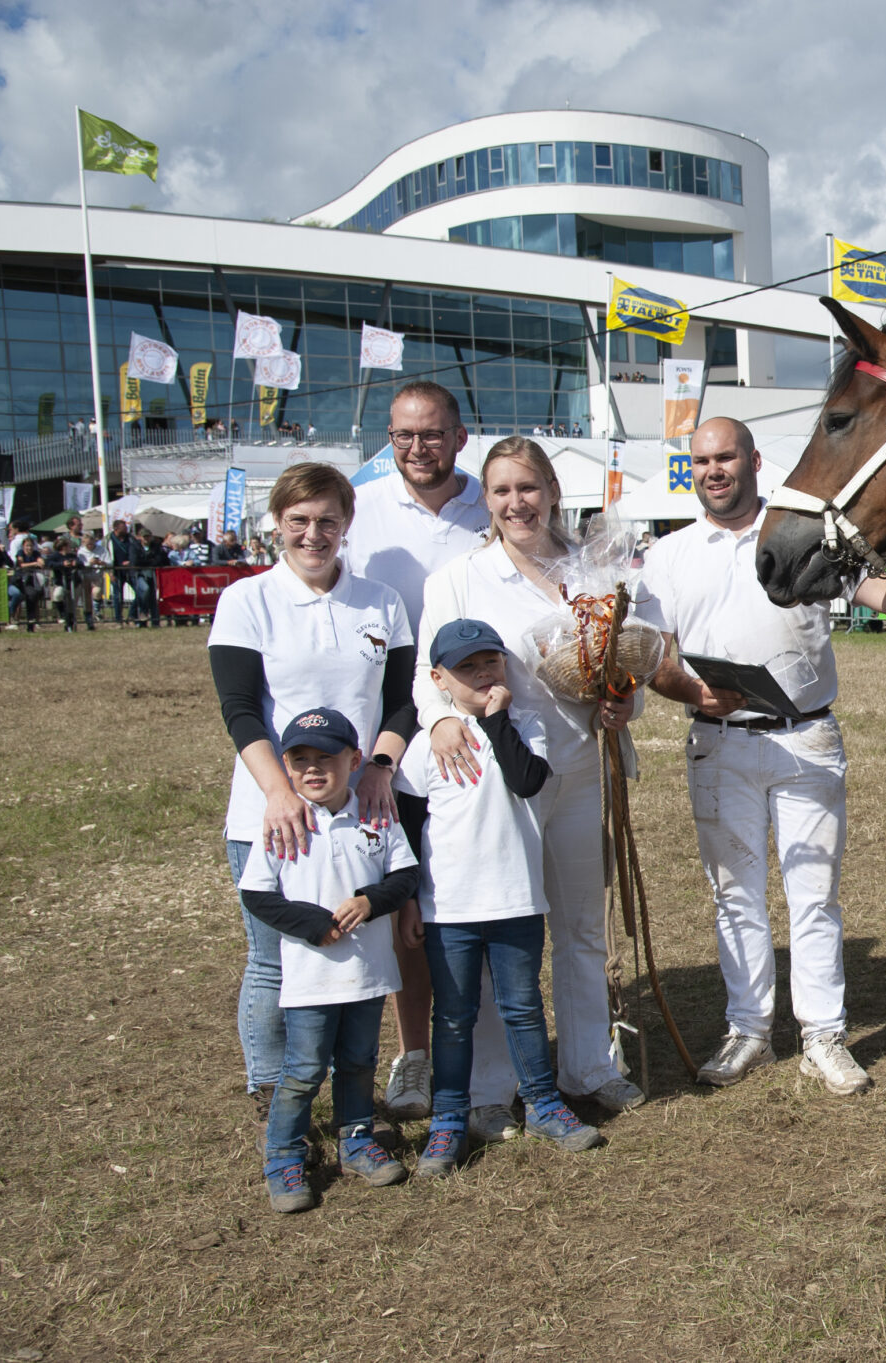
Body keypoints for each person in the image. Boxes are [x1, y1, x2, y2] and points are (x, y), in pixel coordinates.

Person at [638, 417, 886, 1094]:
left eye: (725, 456)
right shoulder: (667, 556)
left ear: (755, 459)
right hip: (719, 744)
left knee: (813, 895)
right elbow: (651, 652)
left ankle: (824, 1034)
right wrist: (693, 692)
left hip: (806, 741)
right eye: (702, 460)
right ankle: (749, 1031)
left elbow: (885, 593)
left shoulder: (809, 539)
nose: (714, 470)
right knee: (735, 895)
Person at [416, 436, 645, 1125]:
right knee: (494, 931)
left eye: (528, 487)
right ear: (485, 501)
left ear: (550, 490)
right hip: (499, 785)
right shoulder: (460, 577)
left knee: (581, 926)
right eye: (501, 491)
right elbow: (427, 678)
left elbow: (621, 658)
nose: (517, 503)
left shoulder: (589, 572)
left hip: (581, 769)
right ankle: (490, 1087)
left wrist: (624, 698)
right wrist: (437, 723)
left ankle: (587, 1066)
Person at [207, 463, 416, 1128]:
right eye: (299, 520)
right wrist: (278, 792)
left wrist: (381, 765)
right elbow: (240, 708)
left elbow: (402, 700)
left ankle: (352, 1097)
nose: (313, 533)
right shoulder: (247, 600)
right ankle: (274, 1093)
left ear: (347, 522)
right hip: (272, 812)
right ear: (278, 524)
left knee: (353, 951)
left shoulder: (381, 601)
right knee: (276, 955)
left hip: (358, 814)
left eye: (327, 519)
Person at [397, 618, 603, 1176]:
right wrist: (411, 898)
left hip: (515, 900)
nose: (483, 673)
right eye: (467, 668)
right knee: (456, 1017)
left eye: (491, 661)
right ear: (439, 678)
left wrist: (496, 719)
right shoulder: (425, 746)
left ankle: (543, 1105)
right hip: (450, 909)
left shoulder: (526, 725)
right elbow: (408, 829)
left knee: (522, 1009)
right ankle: (447, 1120)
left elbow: (527, 780)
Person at [343, 378, 493, 1120]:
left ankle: (489, 1050)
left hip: (477, 741)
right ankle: (413, 1054)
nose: (416, 448)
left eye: (431, 433)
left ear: (460, 436)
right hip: (389, 744)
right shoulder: (361, 514)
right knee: (405, 909)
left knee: (478, 897)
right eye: (403, 435)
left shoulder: (490, 505)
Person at [237, 707, 419, 1213]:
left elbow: (404, 877)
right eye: (300, 761)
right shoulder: (282, 824)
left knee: (359, 1063)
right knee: (303, 1069)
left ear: (355, 759)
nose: (314, 770)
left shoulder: (377, 817)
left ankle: (357, 1141)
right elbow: (256, 894)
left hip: (366, 976)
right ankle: (283, 1155)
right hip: (311, 982)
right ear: (286, 767)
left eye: (327, 758)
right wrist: (312, 925)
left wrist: (370, 900)